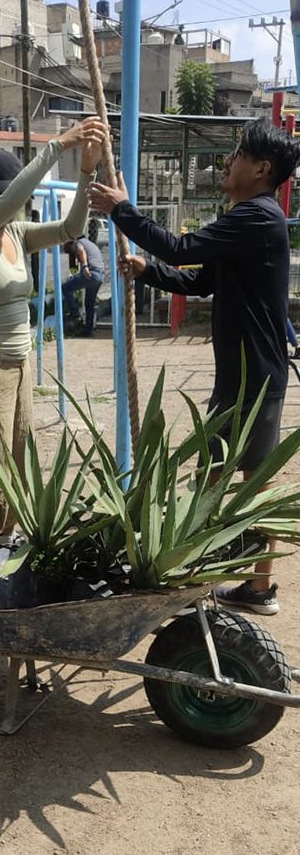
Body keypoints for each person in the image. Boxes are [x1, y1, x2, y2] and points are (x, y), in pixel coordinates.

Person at [89, 117, 300, 616]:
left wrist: (123, 212)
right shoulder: (245, 219)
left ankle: (237, 586)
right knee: (228, 474)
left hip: (256, 375)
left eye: (237, 154)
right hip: (245, 372)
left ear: (261, 168)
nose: (228, 162)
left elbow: (180, 247)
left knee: (242, 479)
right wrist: (149, 271)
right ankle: (237, 583)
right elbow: (201, 280)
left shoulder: (258, 217)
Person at [0, 117, 108, 544]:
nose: (13, 203)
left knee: (19, 467)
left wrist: (86, 172)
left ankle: (5, 548)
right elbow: (12, 200)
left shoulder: (16, 234)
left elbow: (71, 229)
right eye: (0, 192)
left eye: (11, 192)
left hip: (21, 367)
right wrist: (58, 146)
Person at [60, 233, 108, 336]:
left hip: (91, 273)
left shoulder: (78, 243)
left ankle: (75, 314)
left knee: (65, 288)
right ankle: (88, 330)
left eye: (64, 244)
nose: (63, 246)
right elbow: (77, 264)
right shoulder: (89, 244)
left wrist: (85, 266)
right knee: (89, 304)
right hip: (99, 276)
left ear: (70, 241)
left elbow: (81, 250)